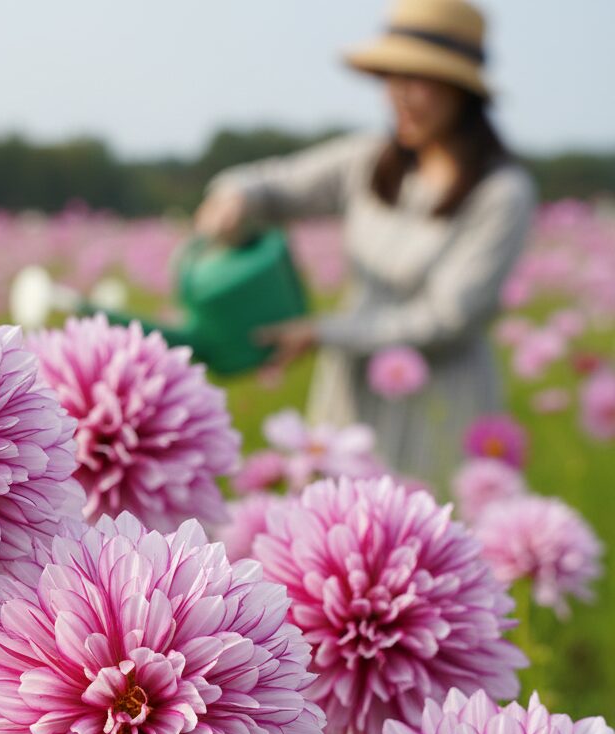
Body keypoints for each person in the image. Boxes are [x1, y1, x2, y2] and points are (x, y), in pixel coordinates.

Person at [195, 0, 536, 490]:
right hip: (352, 393)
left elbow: (448, 318)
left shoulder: (502, 193)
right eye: (391, 78)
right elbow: (275, 183)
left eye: (418, 79)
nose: (400, 95)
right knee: (335, 519)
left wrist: (324, 332)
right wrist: (235, 196)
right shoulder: (368, 161)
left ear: (461, 91)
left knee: (426, 514)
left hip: (439, 396)